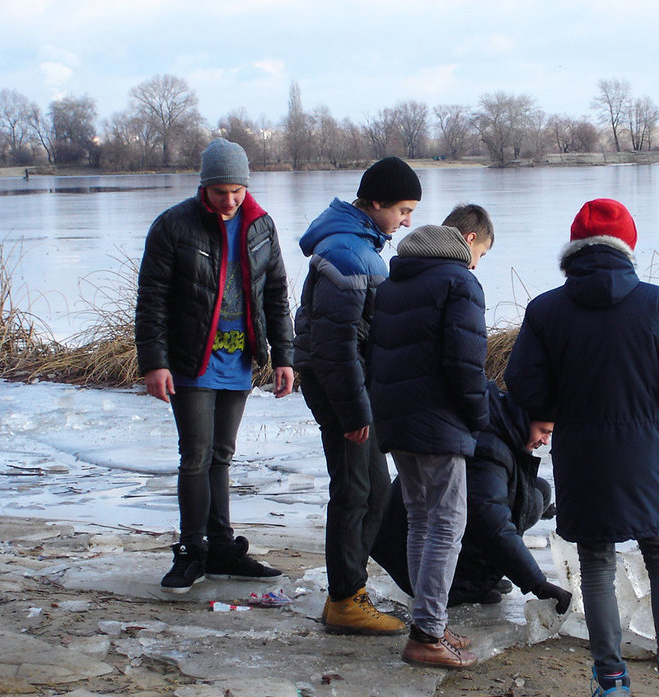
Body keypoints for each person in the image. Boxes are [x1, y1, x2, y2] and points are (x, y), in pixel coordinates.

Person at [503, 198, 659, 697]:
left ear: (574, 247)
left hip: (582, 453)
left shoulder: (546, 310)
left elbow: (524, 384)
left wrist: (559, 405)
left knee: (596, 563)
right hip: (646, 450)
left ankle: (612, 687)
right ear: (628, 246)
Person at [135, 138, 295, 594]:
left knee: (221, 457)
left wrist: (284, 356)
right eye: (221, 191)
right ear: (203, 186)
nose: (229, 201)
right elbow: (152, 302)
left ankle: (222, 549)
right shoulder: (173, 226)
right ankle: (191, 551)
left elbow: (276, 295)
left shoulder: (261, 226)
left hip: (239, 360)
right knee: (196, 457)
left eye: (237, 191)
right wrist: (155, 363)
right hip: (190, 362)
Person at [293, 157, 422, 636]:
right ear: (377, 202)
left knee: (369, 488)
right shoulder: (348, 252)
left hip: (350, 385)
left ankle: (349, 592)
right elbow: (333, 344)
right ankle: (345, 599)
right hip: (339, 388)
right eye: (404, 210)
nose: (407, 221)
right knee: (354, 490)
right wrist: (353, 411)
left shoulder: (359, 244)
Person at [367, 208, 493, 668]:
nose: (477, 264)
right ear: (469, 240)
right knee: (446, 524)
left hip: (397, 419)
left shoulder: (395, 281)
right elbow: (466, 364)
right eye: (479, 254)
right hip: (438, 422)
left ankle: (431, 623)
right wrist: (479, 416)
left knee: (422, 518)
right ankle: (425, 634)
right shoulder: (459, 283)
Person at [372, 382, 572, 612]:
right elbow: (493, 524)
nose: (546, 441)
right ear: (524, 418)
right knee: (528, 502)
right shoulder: (489, 448)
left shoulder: (495, 417)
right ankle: (461, 584)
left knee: (537, 492)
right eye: (544, 431)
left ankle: (480, 574)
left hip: (407, 542)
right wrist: (538, 584)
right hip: (416, 566)